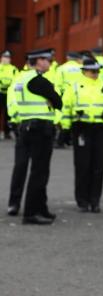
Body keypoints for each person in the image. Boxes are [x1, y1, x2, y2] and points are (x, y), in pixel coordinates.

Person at [6, 48, 62, 224]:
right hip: (40, 130)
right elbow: (58, 101)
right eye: (47, 60)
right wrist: (52, 99)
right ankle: (31, 213)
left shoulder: (20, 79)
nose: (50, 63)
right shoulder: (38, 81)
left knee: (27, 168)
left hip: (25, 128)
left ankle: (41, 208)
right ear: (38, 61)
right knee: (39, 172)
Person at [60, 58, 103, 212]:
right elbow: (65, 108)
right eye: (92, 71)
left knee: (98, 165)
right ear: (84, 71)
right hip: (81, 129)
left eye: (97, 70)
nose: (96, 73)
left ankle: (95, 201)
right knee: (82, 165)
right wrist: (65, 129)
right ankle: (82, 200)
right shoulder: (74, 87)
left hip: (101, 129)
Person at [0, 50, 17, 139]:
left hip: (9, 94)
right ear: (1, 58)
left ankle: (8, 132)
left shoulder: (13, 69)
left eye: (8, 57)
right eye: (5, 57)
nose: (6, 59)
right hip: (0, 93)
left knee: (9, 113)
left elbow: (16, 80)